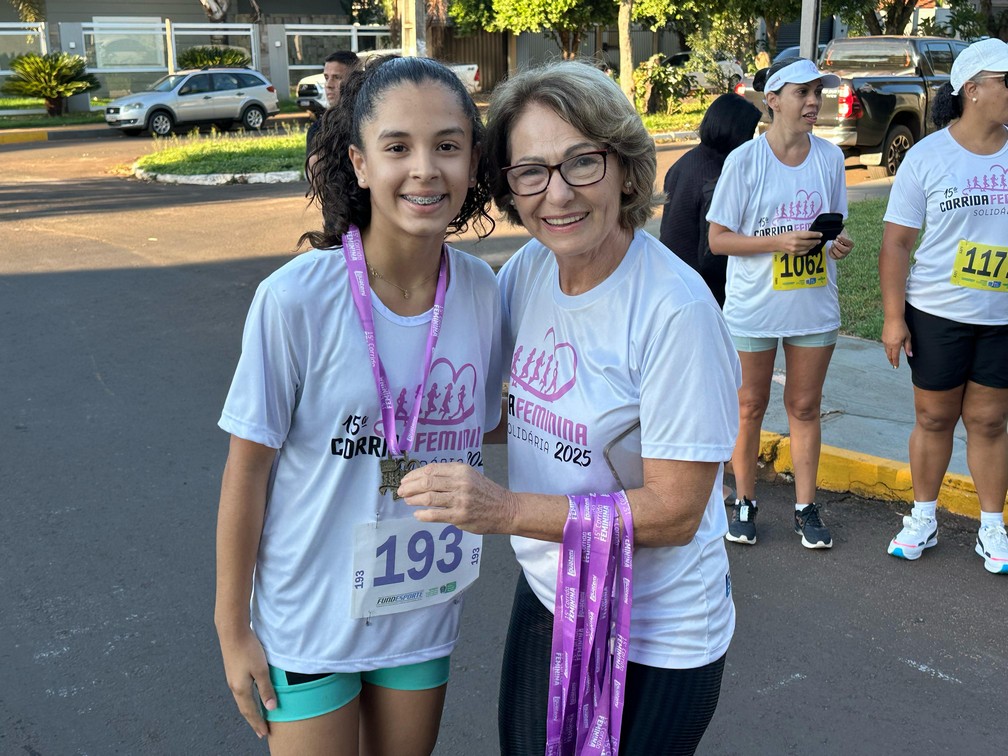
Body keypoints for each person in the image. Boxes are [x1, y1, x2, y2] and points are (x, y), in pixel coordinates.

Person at [398, 60, 742, 755]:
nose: (557, 195)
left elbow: (676, 511)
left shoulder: (672, 310)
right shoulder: (527, 273)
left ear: (622, 166)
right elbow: (507, 410)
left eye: (581, 162)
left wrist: (506, 511)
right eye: (530, 171)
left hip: (658, 629)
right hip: (555, 591)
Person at [214, 56, 502, 754]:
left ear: (472, 161)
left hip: (420, 609)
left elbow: (484, 426)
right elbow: (248, 469)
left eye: (448, 145)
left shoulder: (484, 294)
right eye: (398, 147)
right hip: (310, 613)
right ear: (361, 162)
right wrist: (233, 631)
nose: (425, 169)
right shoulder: (296, 299)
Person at [707, 57, 855, 549]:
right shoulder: (744, 161)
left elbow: (831, 224)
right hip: (754, 306)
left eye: (818, 93)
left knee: (805, 406)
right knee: (749, 406)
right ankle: (744, 500)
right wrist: (777, 244)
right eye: (802, 93)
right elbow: (719, 240)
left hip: (813, 304)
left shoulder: (830, 158)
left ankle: (805, 508)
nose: (814, 102)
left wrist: (836, 242)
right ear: (772, 100)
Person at [879, 37, 1008, 574]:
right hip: (936, 311)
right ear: (973, 90)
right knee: (934, 417)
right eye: (1007, 81)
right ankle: (924, 516)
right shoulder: (929, 156)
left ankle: (993, 526)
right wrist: (892, 316)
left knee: (991, 420)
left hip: (1001, 319)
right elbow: (897, 242)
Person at [659, 93, 761, 307]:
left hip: (671, 278)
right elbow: (713, 250)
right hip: (702, 290)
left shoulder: (685, 162)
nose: (752, 140)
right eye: (749, 133)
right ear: (736, 132)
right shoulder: (716, 177)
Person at [305, 50, 360, 171]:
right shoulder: (318, 130)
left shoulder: (366, 122)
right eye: (326, 77)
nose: (328, 84)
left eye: (337, 77)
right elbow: (316, 183)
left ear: (354, 81)